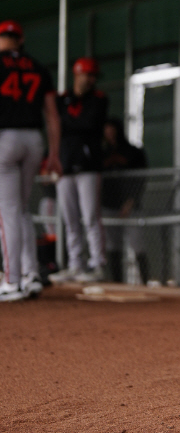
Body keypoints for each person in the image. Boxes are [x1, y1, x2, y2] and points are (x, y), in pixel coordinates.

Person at [0, 20, 61, 301]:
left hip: (6, 140)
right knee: (22, 210)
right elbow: (52, 115)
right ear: (21, 40)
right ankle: (31, 275)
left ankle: (11, 282)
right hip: (34, 140)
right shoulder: (38, 67)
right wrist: (55, 153)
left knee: (8, 212)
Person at [54, 58, 108, 281]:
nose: (91, 80)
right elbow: (55, 124)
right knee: (70, 219)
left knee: (90, 217)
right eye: (88, 75)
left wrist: (66, 123)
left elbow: (90, 123)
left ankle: (97, 265)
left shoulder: (98, 99)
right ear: (77, 74)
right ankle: (75, 264)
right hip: (65, 166)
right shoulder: (62, 98)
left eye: (93, 76)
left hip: (88, 166)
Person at [102, 118, 149, 284]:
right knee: (113, 246)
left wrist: (131, 201)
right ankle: (117, 283)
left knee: (137, 244)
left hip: (131, 206)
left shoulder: (133, 152)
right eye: (106, 129)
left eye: (111, 129)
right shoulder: (102, 154)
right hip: (109, 205)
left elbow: (141, 179)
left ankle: (145, 282)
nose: (109, 133)